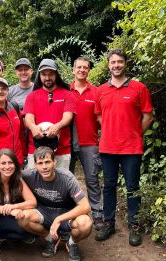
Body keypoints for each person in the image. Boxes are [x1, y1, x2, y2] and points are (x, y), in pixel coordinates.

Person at [94, 48, 154, 246]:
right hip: (108, 148)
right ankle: (108, 223)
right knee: (109, 186)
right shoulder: (101, 90)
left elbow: (148, 116)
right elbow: (99, 116)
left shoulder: (139, 88)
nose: (116, 65)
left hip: (131, 148)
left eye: (120, 62)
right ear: (108, 65)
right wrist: (112, 130)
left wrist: (135, 133)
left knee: (132, 187)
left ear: (125, 64)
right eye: (113, 62)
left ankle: (134, 226)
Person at [17, 146, 92, 261]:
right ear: (35, 165)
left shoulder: (67, 178)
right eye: (40, 163)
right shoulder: (29, 175)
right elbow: (8, 173)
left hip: (66, 214)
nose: (44, 167)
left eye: (47, 162)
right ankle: (50, 238)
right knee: (22, 217)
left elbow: (85, 206)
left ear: (54, 162)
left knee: (86, 224)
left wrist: (59, 219)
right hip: (43, 212)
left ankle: (72, 242)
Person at [68, 57, 104, 231]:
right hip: (67, 144)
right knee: (65, 179)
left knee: (92, 180)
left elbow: (101, 120)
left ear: (89, 70)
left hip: (89, 143)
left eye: (85, 67)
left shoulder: (96, 92)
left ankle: (97, 214)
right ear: (73, 70)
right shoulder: (65, 91)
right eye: (79, 67)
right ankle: (67, 213)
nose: (82, 70)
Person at [23, 59, 75, 170]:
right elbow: (28, 118)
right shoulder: (32, 96)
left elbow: (68, 116)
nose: (47, 78)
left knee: (61, 185)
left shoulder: (67, 95)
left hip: (61, 150)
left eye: (50, 74)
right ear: (39, 75)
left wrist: (58, 126)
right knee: (34, 185)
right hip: (36, 150)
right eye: (44, 74)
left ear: (56, 74)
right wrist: (33, 127)